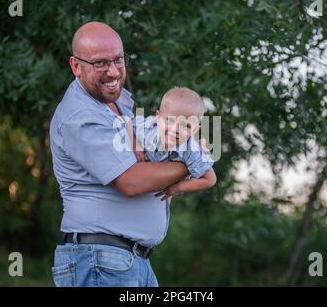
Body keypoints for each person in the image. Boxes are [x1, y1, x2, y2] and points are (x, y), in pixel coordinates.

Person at [49, 21, 189, 287]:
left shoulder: (118, 102)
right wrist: (190, 165)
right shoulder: (80, 115)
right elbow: (130, 181)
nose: (113, 71)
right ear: (76, 66)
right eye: (100, 62)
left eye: (118, 60)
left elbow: (151, 156)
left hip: (127, 261)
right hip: (100, 261)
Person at [128, 87, 216, 201]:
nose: (176, 130)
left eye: (186, 126)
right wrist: (136, 143)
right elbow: (125, 123)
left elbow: (210, 180)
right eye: (170, 120)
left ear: (195, 130)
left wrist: (177, 187)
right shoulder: (147, 129)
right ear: (158, 117)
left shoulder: (190, 149)